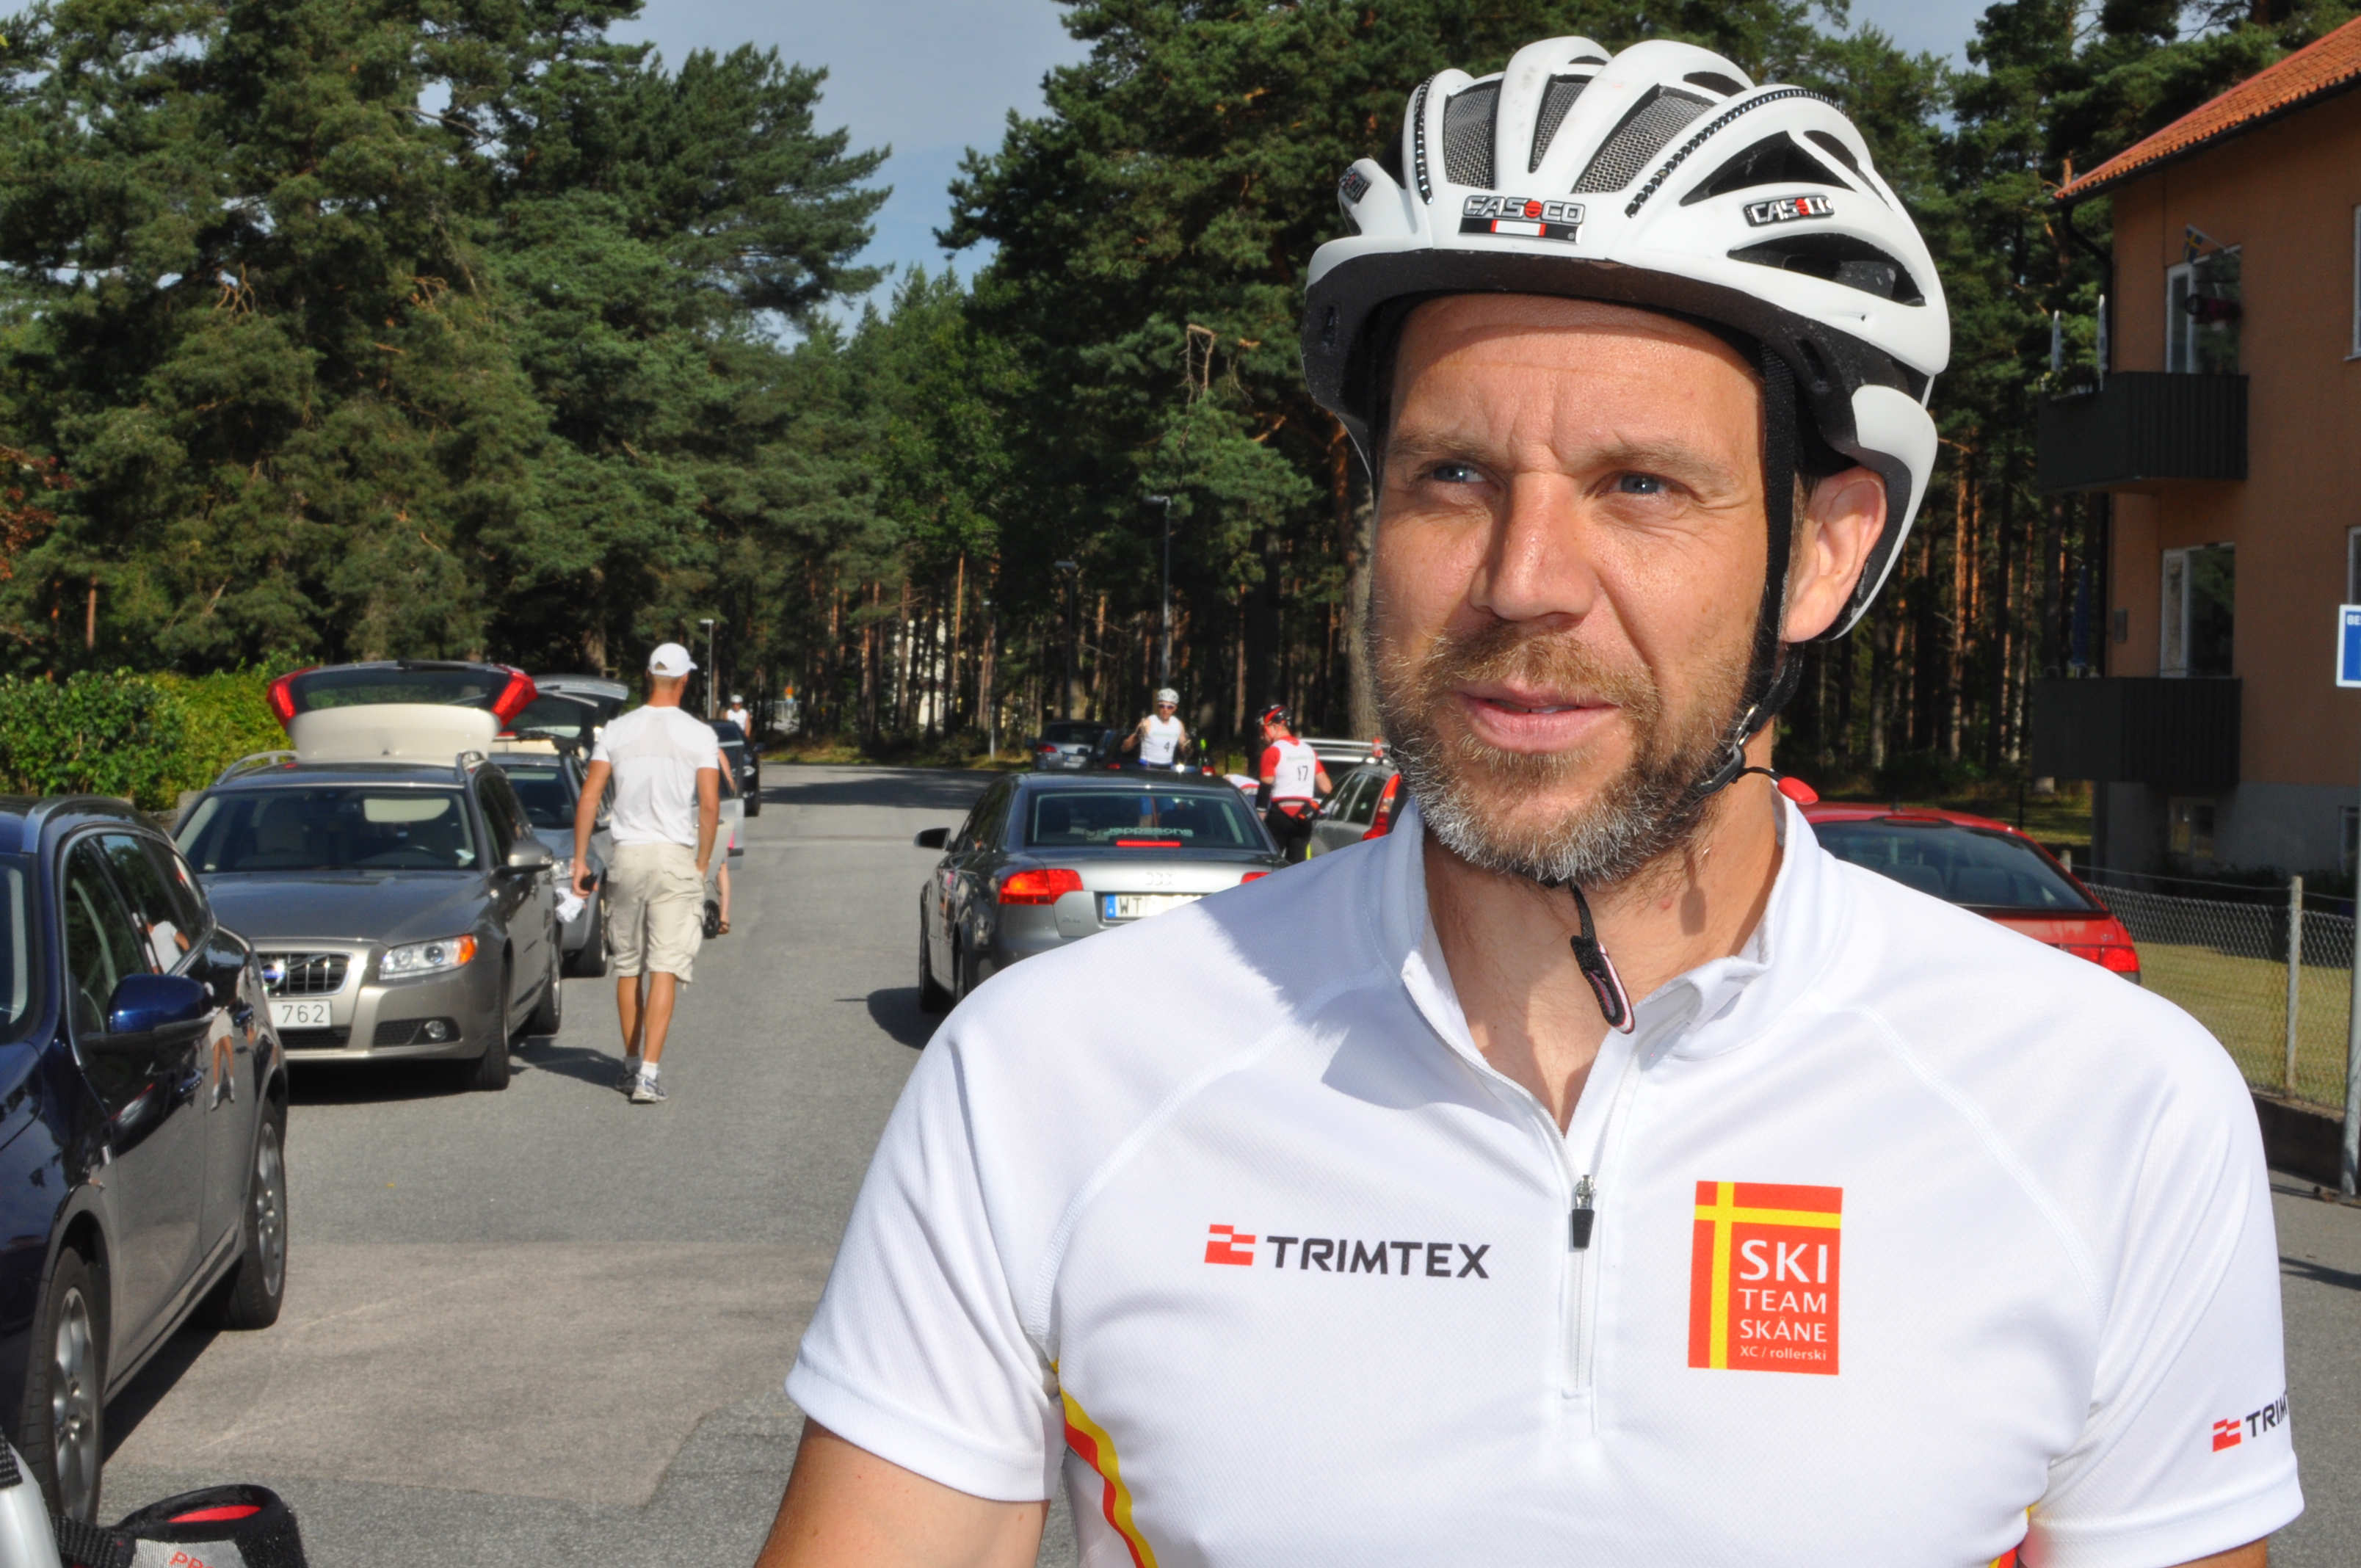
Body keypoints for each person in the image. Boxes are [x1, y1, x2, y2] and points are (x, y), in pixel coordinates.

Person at [759, 37, 2293, 1568]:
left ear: (1823, 553)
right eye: (1453, 476)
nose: (1523, 580)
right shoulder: (1049, 1074)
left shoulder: (2110, 1110)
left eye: (1641, 485)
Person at [572, 642, 718, 1106]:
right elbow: (709, 805)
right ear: (685, 680)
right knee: (665, 967)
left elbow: (590, 796)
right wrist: (701, 863)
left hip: (627, 855)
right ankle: (649, 1076)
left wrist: (580, 860)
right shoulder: (699, 734)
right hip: (674, 856)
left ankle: (631, 1064)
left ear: (648, 675)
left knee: (629, 966)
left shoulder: (617, 729)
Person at [1254, 703, 1329, 863]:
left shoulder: (1273, 751)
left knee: (1271, 863)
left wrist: (1258, 820)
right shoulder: (1308, 750)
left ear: (1275, 726)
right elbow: (1326, 787)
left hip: (1281, 814)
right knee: (1297, 866)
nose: (1261, 737)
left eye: (1262, 730)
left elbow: (1265, 789)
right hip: (1304, 815)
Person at [1122, 688, 1190, 770]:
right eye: (1162, 706)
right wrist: (1136, 738)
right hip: (1147, 767)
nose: (1165, 710)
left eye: (1169, 707)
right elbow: (1124, 748)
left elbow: (1186, 751)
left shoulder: (1178, 724)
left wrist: (1188, 748)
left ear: (1174, 708)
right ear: (1157, 706)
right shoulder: (1148, 723)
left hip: (1167, 768)